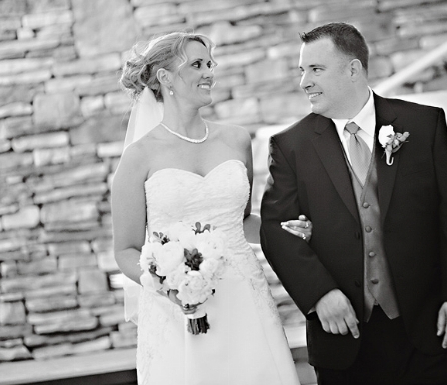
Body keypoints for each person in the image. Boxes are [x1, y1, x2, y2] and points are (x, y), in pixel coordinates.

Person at [260, 23, 447, 385]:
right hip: (343, 339)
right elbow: (275, 229)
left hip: (428, 329)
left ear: (353, 69)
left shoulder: (423, 125)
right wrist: (320, 295)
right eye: (302, 71)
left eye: (315, 69)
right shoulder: (290, 146)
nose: (304, 82)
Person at [111, 32, 305, 385]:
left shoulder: (236, 140)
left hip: (243, 296)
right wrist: (167, 285)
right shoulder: (138, 157)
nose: (209, 73)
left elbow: (241, 221)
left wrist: (287, 228)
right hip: (177, 307)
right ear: (165, 77)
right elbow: (125, 250)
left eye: (210, 64)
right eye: (197, 65)